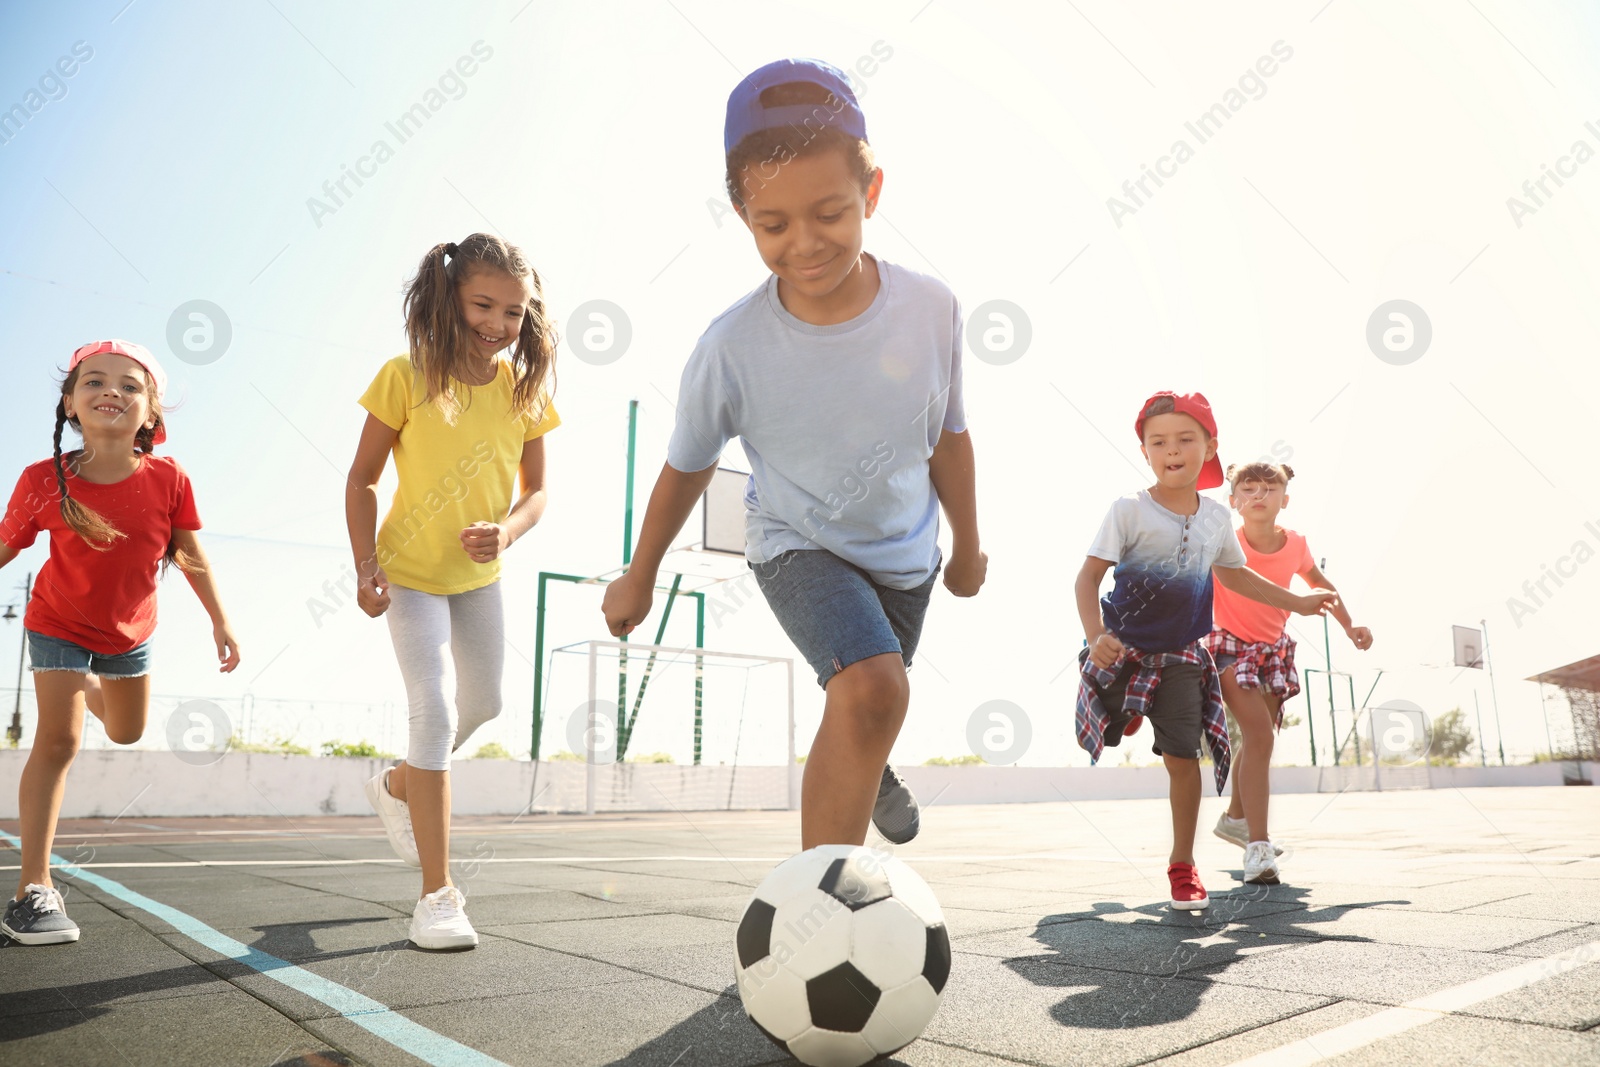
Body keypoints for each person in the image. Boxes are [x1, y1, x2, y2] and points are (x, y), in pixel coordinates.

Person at [601, 58, 986, 849]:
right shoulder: (732, 348)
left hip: (906, 560)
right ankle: (821, 909)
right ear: (743, 214)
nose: (805, 244)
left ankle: (868, 764)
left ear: (871, 195)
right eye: (773, 225)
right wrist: (640, 572)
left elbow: (948, 435)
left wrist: (970, 546)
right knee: (875, 687)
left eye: (830, 214)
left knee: (870, 699)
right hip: (794, 543)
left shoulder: (933, 308)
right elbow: (687, 464)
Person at [347, 233, 559, 950]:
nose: (499, 324)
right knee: (433, 710)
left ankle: (401, 782)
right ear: (449, 298)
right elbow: (362, 478)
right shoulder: (404, 376)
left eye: (513, 311)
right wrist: (363, 564)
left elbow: (538, 494)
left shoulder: (524, 392)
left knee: (486, 703)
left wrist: (507, 532)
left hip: (478, 579)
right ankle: (437, 894)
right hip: (407, 573)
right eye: (483, 305)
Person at [1, 340, 239, 945]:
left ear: (151, 414)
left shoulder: (169, 477)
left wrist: (220, 619)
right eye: (95, 382)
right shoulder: (40, 479)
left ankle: (86, 681)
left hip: (130, 633)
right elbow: (7, 544)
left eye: (131, 386)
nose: (112, 391)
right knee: (59, 739)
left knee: (127, 731)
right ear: (69, 405)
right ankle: (34, 888)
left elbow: (188, 552)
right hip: (56, 622)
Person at [1073, 391, 1334, 909]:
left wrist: (1298, 603)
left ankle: (1182, 864)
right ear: (1145, 451)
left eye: (1185, 439)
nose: (1172, 450)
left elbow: (1238, 577)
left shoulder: (1216, 518)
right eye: (1159, 441)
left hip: (1183, 658)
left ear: (1209, 446)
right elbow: (1087, 578)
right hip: (1122, 649)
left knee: (1181, 758)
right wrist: (1095, 634)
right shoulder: (1128, 510)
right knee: (1109, 714)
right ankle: (1125, 708)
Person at [1207, 461, 1373, 882]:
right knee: (1259, 735)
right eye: (1248, 489)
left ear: (1285, 499)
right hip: (1228, 646)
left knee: (1260, 739)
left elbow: (1324, 587)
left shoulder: (1295, 544)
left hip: (1273, 651)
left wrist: (1350, 625)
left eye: (1268, 489)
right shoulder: (1226, 542)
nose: (1258, 496)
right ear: (1233, 501)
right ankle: (1258, 848)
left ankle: (1235, 819)